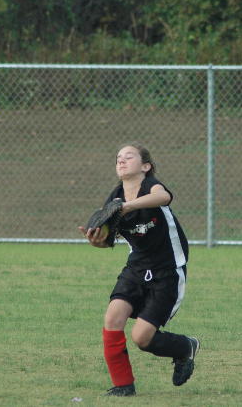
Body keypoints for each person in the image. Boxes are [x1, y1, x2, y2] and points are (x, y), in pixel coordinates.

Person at [78, 143, 200, 397]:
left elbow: (164, 197)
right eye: (118, 158)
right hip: (136, 267)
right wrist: (97, 241)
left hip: (167, 270)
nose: (121, 160)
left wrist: (129, 206)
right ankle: (123, 385)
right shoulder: (115, 199)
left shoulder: (151, 186)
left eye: (129, 156)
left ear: (145, 166)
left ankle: (185, 348)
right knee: (113, 317)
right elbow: (108, 238)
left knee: (142, 338)